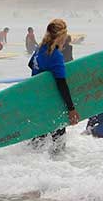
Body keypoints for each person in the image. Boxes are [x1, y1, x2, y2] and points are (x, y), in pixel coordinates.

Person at [27, 18, 80, 148]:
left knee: (38, 140)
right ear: (62, 36)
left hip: (36, 101)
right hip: (52, 104)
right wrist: (71, 109)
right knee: (58, 143)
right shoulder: (55, 55)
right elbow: (61, 84)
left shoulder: (39, 49)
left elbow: (30, 65)